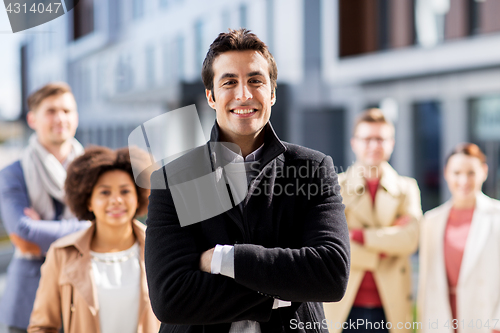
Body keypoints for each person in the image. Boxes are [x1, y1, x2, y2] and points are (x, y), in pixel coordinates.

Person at [145, 28, 350, 333]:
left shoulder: (314, 168)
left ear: (272, 93)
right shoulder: (172, 180)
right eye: (229, 82)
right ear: (211, 97)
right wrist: (279, 296)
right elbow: (171, 298)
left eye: (256, 81)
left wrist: (224, 258)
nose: (244, 94)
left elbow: (331, 274)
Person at [28, 146, 160, 333]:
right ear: (88, 200)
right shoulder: (62, 253)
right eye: (105, 193)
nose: (116, 200)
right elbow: (42, 326)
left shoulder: (160, 247)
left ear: (139, 197)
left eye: (125, 191)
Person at [0, 83, 90, 333]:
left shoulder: (94, 172)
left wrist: (43, 229)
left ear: (76, 117)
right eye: (51, 111)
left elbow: (110, 227)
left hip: (85, 296)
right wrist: (87, 229)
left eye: (66, 110)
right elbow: (23, 234)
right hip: (28, 303)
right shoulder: (12, 174)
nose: (60, 118)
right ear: (32, 119)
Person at [323, 109, 422, 333]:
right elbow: (333, 248)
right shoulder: (334, 187)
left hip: (390, 307)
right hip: (344, 306)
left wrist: (358, 236)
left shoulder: (406, 188)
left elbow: (410, 240)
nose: (374, 145)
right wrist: (388, 244)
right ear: (354, 143)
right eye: (367, 138)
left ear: (392, 143)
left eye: (380, 139)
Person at [417, 143, 500, 333]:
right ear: (446, 173)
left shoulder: (497, 216)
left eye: (471, 173)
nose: (463, 180)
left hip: (485, 322)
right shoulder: (431, 220)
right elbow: (426, 283)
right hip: (441, 322)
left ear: (484, 172)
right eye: (456, 173)